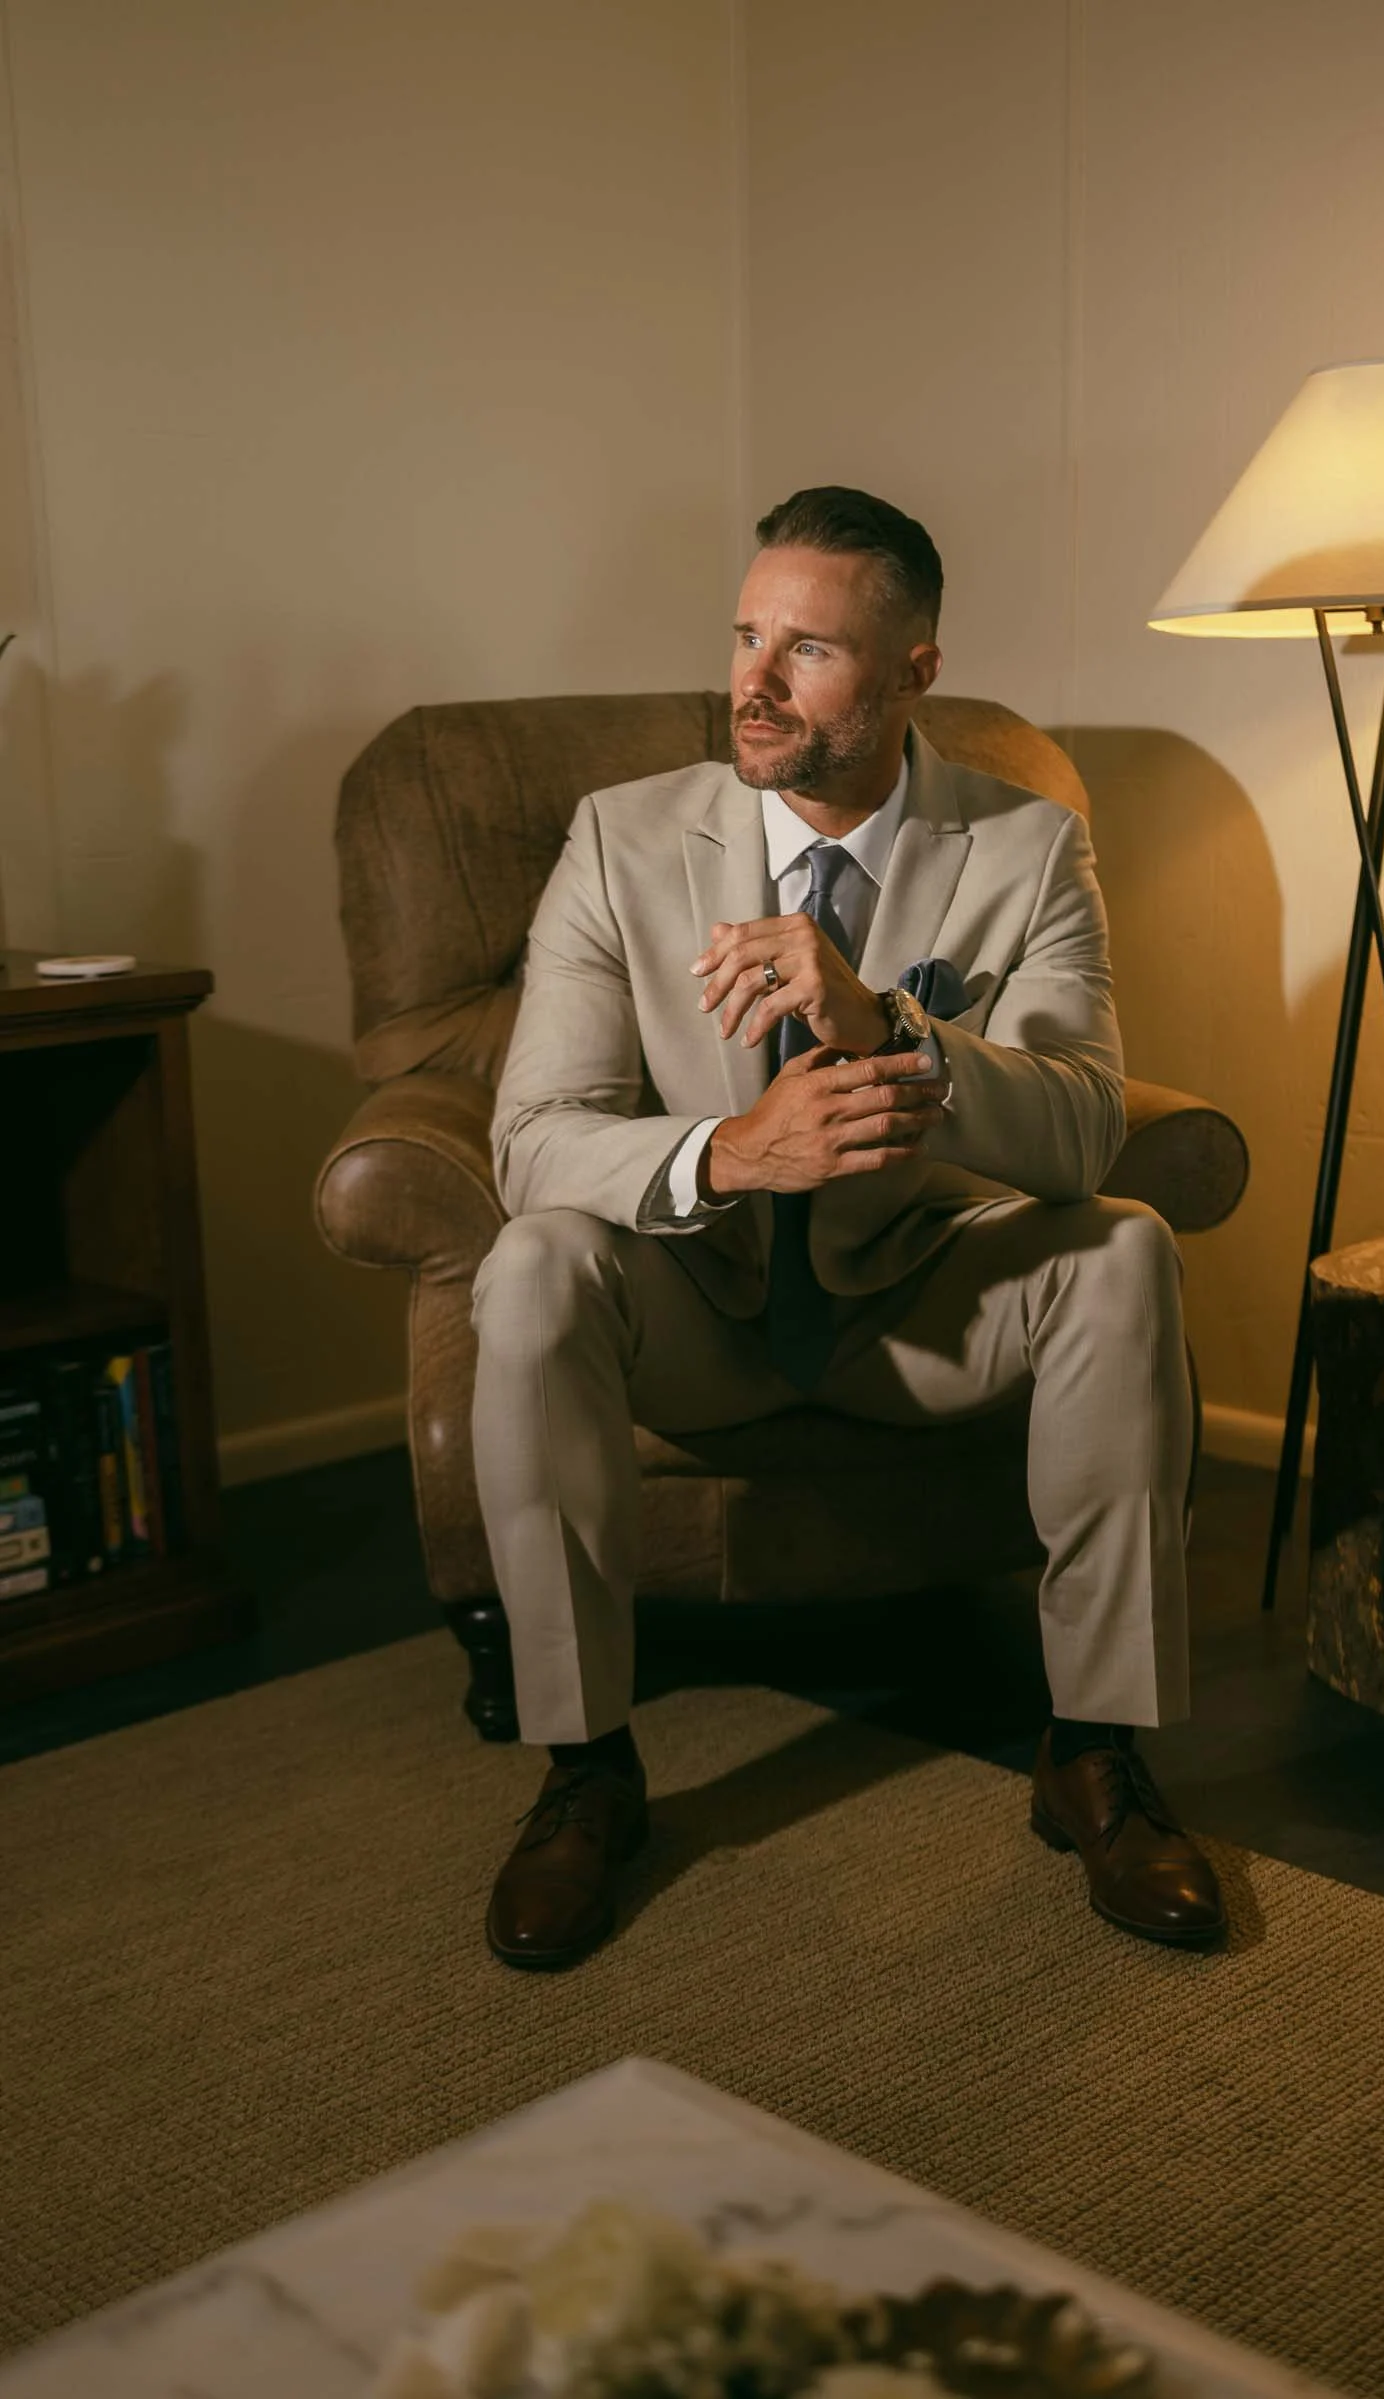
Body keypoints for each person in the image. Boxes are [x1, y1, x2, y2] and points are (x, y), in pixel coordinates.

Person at [471, 485, 1226, 1970]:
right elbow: (530, 1139)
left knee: (1125, 1243)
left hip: (915, 1312)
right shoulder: (621, 843)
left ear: (911, 674)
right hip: (699, 1308)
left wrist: (886, 1025)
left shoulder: (1028, 847)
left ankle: (1094, 1754)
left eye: (805, 651)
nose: (748, 683)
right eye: (747, 635)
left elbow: (1082, 1124)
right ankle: (586, 1768)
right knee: (535, 1257)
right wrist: (733, 1151)